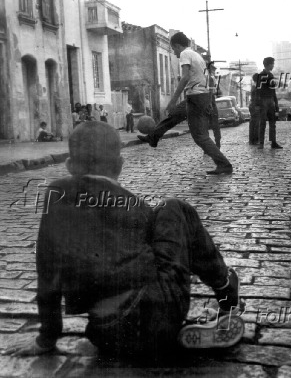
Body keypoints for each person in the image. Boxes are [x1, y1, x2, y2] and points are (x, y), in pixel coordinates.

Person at [3, 122, 243, 362]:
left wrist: (47, 338)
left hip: (106, 331)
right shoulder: (136, 206)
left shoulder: (56, 194)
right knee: (174, 208)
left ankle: (160, 337)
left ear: (69, 165)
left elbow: (47, 271)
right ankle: (225, 291)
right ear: (119, 165)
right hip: (159, 309)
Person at [140, 32, 232, 174]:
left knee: (200, 137)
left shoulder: (185, 54)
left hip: (197, 97)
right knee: (175, 115)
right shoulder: (197, 55)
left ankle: (224, 164)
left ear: (177, 46)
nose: (175, 54)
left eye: (174, 50)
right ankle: (153, 137)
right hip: (198, 96)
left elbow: (185, 78)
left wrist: (173, 100)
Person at [254, 57, 283, 149]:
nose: (273, 66)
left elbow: (273, 91)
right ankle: (261, 143)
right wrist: (258, 104)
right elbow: (257, 91)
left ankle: (273, 142)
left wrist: (276, 105)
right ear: (268, 64)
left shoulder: (271, 75)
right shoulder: (261, 76)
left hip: (270, 100)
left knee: (272, 123)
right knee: (262, 122)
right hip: (263, 101)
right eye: (272, 64)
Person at [248, 73, 260, 145]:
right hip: (255, 106)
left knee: (253, 123)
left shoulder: (254, 86)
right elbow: (256, 98)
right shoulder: (256, 87)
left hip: (252, 106)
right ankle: (255, 140)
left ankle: (252, 140)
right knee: (256, 124)